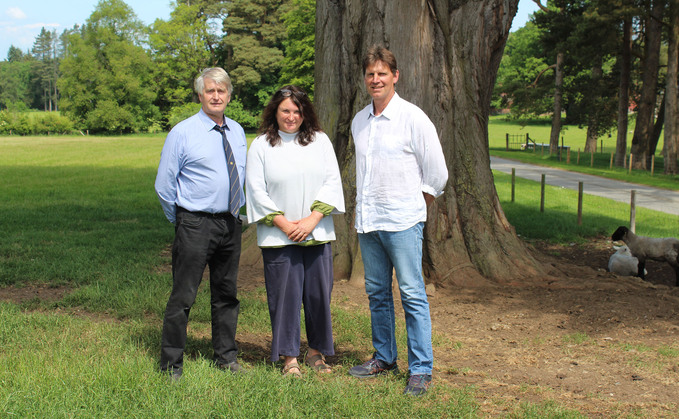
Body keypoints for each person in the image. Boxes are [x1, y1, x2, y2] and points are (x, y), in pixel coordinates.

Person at [348, 46, 448, 396]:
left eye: (382, 73)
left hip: (404, 223)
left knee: (412, 294)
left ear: (395, 76)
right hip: (369, 222)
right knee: (377, 292)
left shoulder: (413, 118)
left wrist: (414, 207)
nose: (376, 79)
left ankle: (420, 369)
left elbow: (436, 173)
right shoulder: (359, 121)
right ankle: (384, 357)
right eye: (371, 74)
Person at [155, 67, 247, 381]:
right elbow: (164, 185)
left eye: (222, 91)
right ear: (200, 95)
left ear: (230, 95)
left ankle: (225, 357)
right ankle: (171, 365)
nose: (216, 96)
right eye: (210, 91)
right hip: (194, 224)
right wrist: (182, 220)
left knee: (226, 295)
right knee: (183, 296)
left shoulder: (236, 131)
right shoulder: (182, 132)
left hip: (230, 223)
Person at [246, 85, 345, 377]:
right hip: (279, 236)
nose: (291, 116)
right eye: (286, 110)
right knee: (285, 297)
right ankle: (290, 357)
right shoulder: (262, 145)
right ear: (275, 111)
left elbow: (332, 181)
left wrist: (312, 220)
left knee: (317, 296)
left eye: (297, 111)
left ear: (305, 113)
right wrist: (285, 224)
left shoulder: (320, 141)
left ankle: (316, 353)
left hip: (316, 232)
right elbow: (255, 189)